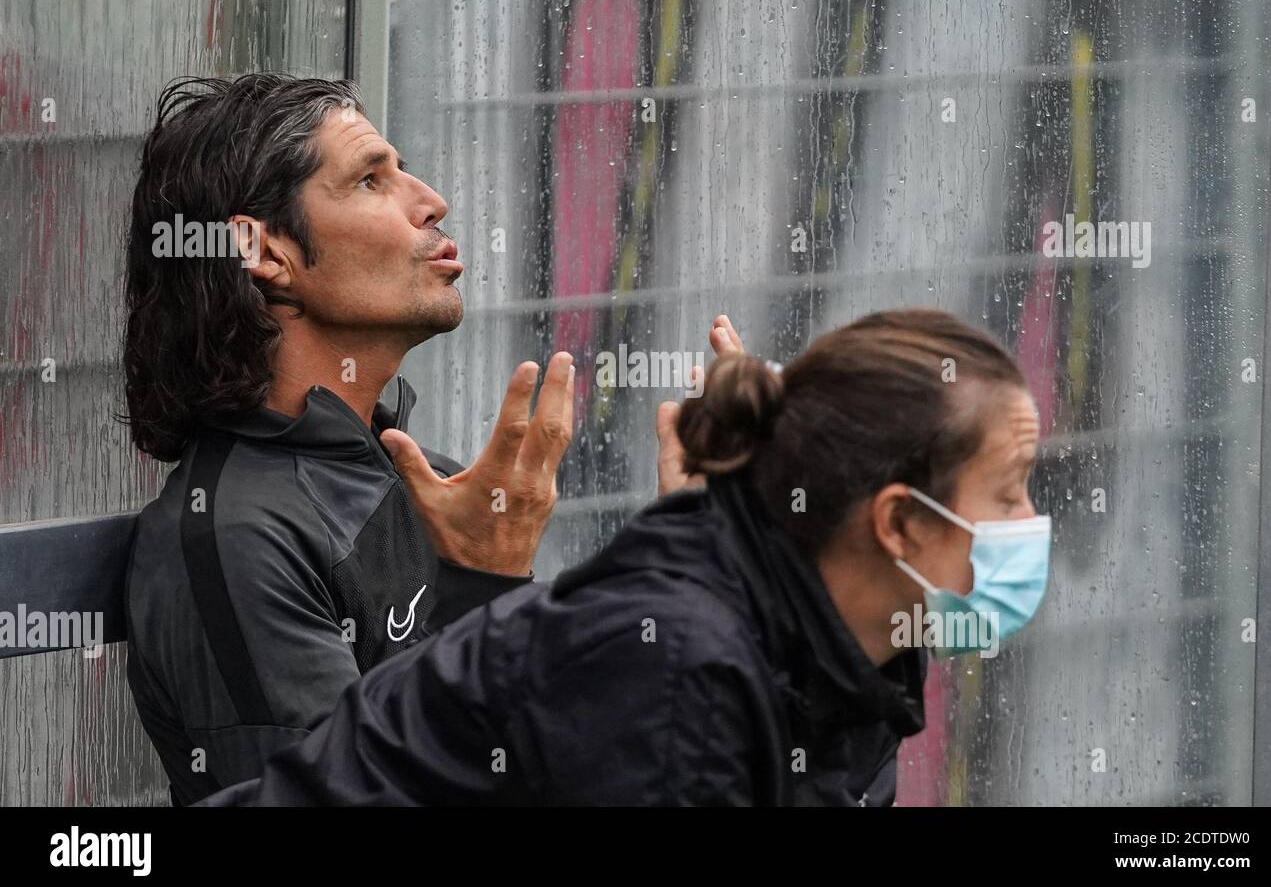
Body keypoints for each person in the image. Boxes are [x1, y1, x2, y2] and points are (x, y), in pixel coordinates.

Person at [120, 72, 735, 804]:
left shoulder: (416, 479)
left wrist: (697, 556)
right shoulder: (235, 536)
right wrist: (484, 586)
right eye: (371, 180)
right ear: (267, 252)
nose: (431, 201)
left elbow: (577, 753)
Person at [201, 307, 1052, 806]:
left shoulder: (838, 653)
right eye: (1009, 489)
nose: (1029, 521)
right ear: (899, 523)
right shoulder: (679, 668)